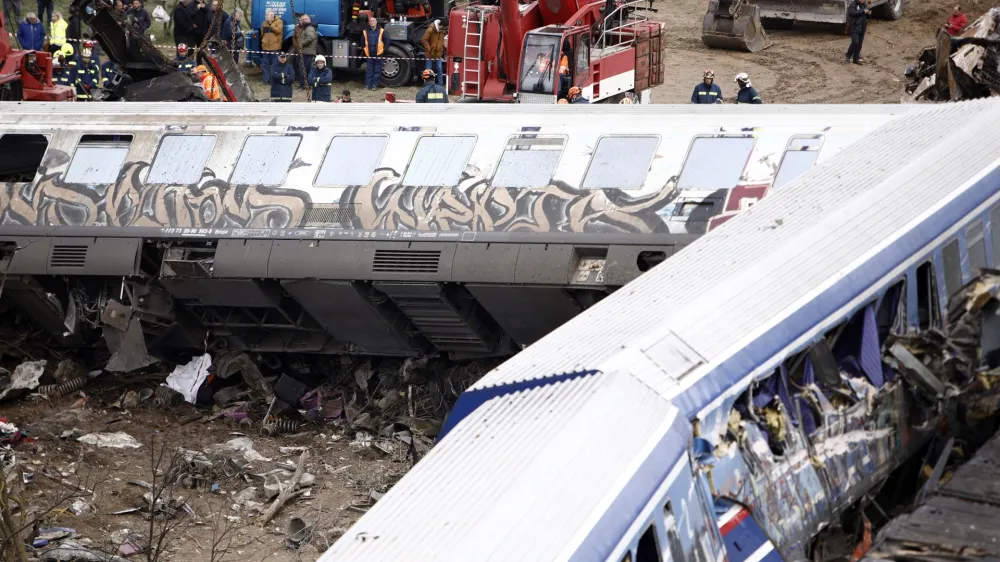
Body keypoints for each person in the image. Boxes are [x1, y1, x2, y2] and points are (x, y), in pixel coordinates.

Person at [362, 15, 389, 90]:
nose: (372, 22)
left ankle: (374, 85)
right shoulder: (365, 31)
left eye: (373, 21)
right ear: (369, 23)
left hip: (378, 54)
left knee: (377, 71)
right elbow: (362, 42)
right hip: (369, 54)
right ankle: (367, 85)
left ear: (376, 22)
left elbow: (387, 41)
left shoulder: (382, 31)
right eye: (371, 21)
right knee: (369, 71)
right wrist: (364, 50)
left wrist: (383, 51)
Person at [294, 14, 317, 89]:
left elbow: (310, 38)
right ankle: (303, 84)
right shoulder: (305, 28)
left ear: (309, 20)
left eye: (305, 19)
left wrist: (300, 44)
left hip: (307, 52)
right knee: (304, 70)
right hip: (304, 52)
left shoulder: (309, 28)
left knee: (303, 70)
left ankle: (303, 85)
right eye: (302, 19)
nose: (304, 20)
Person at [260, 9, 282, 84]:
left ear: (272, 16)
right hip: (265, 48)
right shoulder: (264, 23)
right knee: (265, 65)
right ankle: (266, 80)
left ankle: (273, 80)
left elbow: (278, 31)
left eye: (267, 15)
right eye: (265, 15)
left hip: (275, 48)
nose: (265, 17)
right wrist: (264, 40)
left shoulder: (279, 21)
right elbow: (262, 34)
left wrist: (270, 24)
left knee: (275, 65)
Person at [845, 0, 870, 65]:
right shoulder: (853, 4)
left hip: (862, 28)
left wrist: (868, 14)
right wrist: (863, 11)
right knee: (855, 42)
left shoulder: (865, 5)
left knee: (859, 44)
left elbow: (867, 17)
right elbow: (852, 13)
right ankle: (848, 56)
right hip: (854, 27)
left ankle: (856, 58)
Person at [421, 18, 445, 86]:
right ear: (439, 25)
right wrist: (429, 49)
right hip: (430, 54)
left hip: (438, 54)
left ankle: (440, 84)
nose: (444, 28)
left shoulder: (441, 31)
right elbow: (423, 40)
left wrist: (443, 48)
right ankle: (427, 84)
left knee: (439, 69)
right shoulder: (430, 30)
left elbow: (441, 41)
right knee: (428, 70)